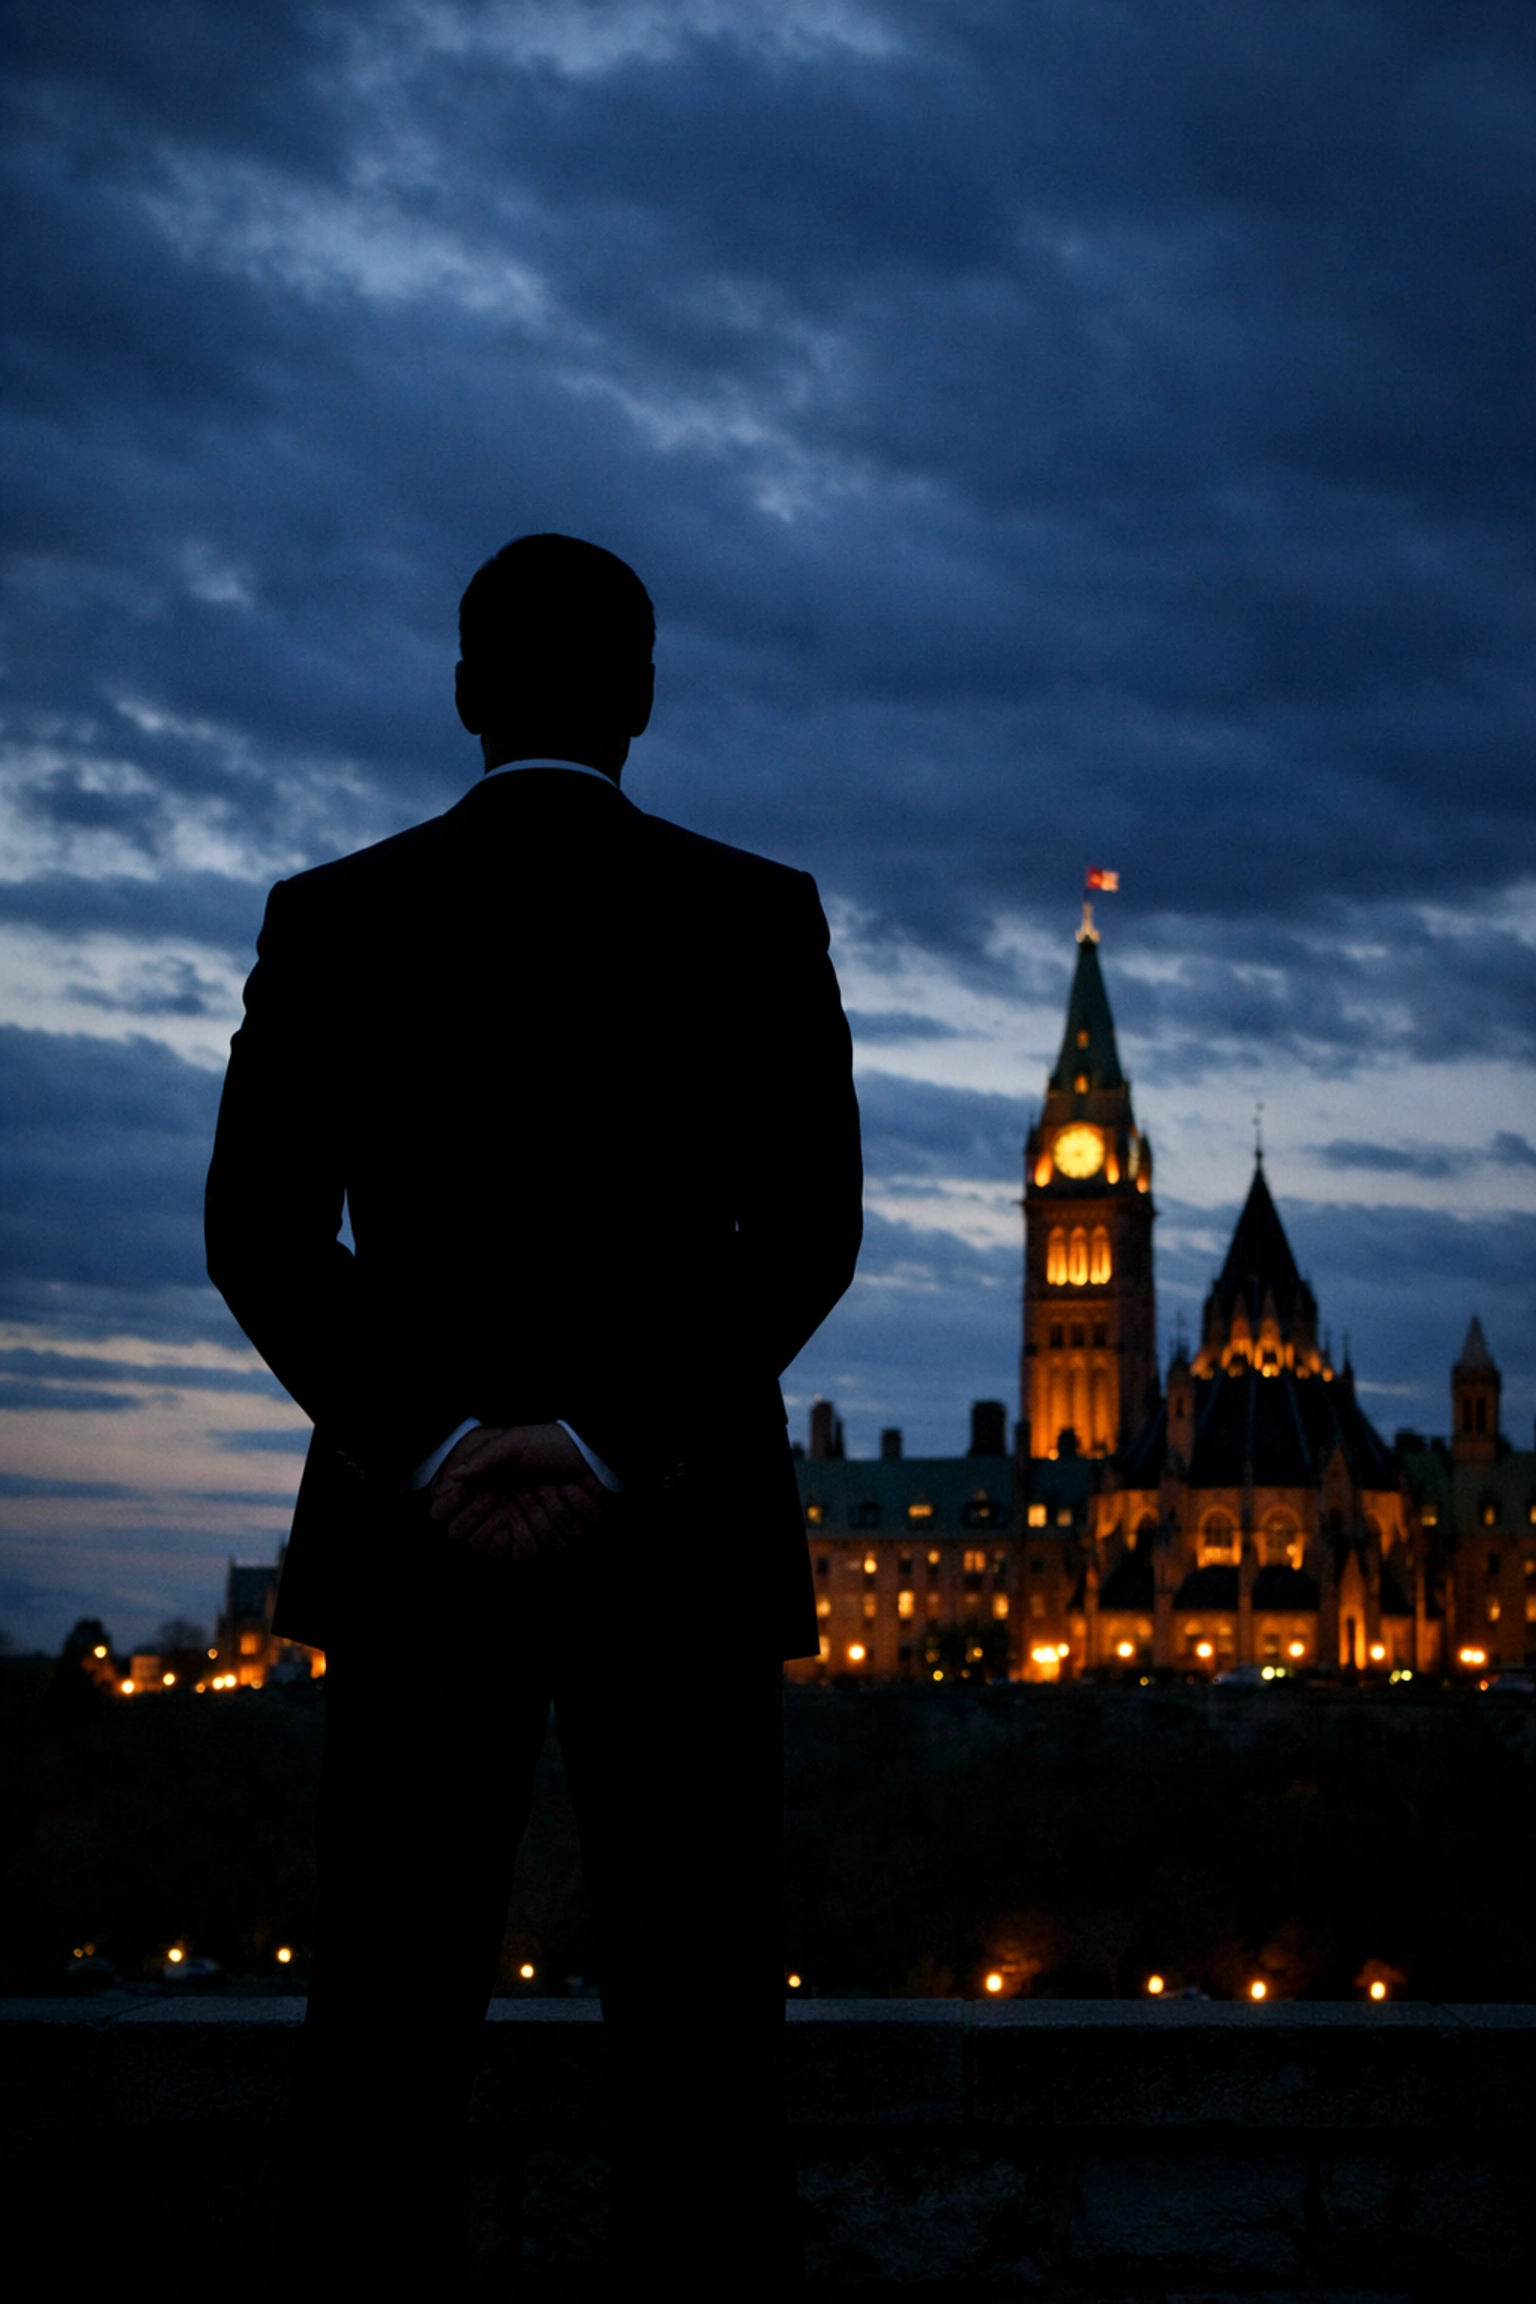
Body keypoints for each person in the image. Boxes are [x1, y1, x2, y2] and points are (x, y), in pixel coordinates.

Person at [204, 532, 862, 2296]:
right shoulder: (757, 914)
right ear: (642, 700)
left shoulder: (333, 917)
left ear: (465, 695)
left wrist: (435, 1445)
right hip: (683, 1547)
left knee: (385, 2018)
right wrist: (610, 1445)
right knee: (703, 2034)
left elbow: (259, 1236)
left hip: (414, 1556)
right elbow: (806, 1239)